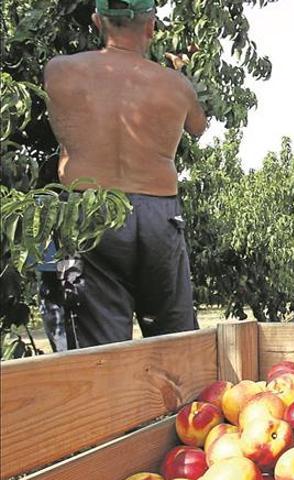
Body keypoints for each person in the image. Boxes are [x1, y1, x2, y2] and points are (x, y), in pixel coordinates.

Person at [43, 0, 207, 348]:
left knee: (99, 353)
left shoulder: (59, 71)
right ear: (151, 27)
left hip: (90, 210)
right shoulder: (176, 86)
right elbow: (198, 127)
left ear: (97, 21)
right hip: (159, 215)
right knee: (174, 346)